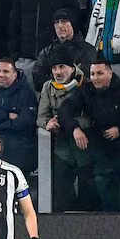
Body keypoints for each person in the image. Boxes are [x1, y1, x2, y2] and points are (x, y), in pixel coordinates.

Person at [59, 59, 120, 211]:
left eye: (100, 73)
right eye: (92, 74)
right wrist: (74, 128)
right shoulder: (87, 89)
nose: (95, 78)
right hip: (101, 152)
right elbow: (65, 108)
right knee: (105, 200)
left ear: (110, 73)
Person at [37, 47, 96, 211]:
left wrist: (65, 122)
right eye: (54, 68)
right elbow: (41, 118)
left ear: (73, 67)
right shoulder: (48, 87)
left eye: (62, 67)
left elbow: (92, 118)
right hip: (61, 150)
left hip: (85, 149)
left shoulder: (87, 85)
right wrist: (48, 124)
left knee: (89, 199)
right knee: (60, 197)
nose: (58, 72)